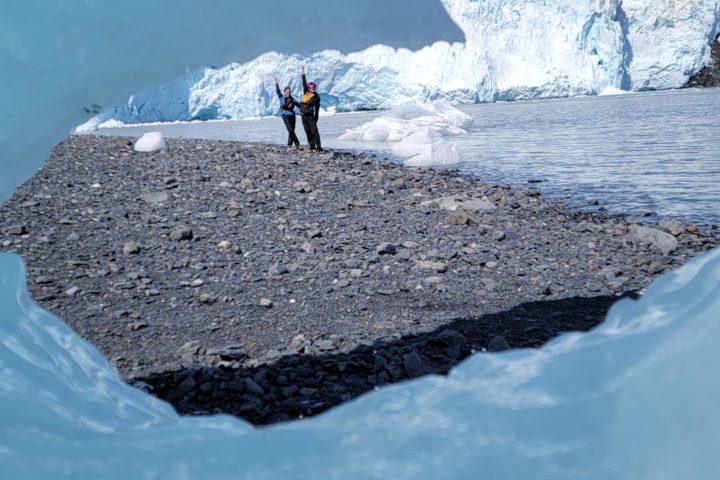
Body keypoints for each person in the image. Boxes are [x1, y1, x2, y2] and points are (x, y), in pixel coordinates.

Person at [273, 75, 302, 150]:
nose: (288, 93)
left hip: (292, 116)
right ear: (284, 92)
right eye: (287, 91)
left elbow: (299, 105)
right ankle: (298, 145)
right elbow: (277, 90)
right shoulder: (281, 97)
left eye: (289, 92)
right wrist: (276, 82)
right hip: (285, 116)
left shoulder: (292, 99)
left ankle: (289, 145)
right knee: (290, 130)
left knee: (291, 131)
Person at [299, 64, 322, 152]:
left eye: (314, 87)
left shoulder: (316, 97)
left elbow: (317, 108)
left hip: (310, 116)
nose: (312, 89)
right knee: (307, 131)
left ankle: (318, 147)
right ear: (308, 88)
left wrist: (316, 118)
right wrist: (303, 72)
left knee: (314, 131)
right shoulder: (306, 92)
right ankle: (312, 146)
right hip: (303, 116)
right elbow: (304, 82)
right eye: (311, 87)